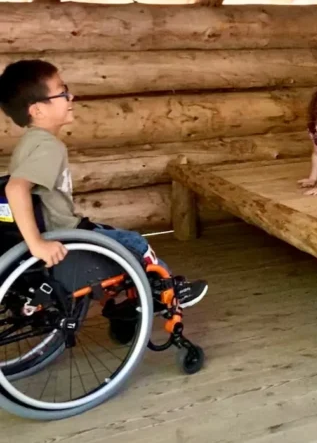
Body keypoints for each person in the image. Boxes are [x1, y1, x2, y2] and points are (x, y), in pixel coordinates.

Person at [0, 59, 207, 307]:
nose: (71, 96)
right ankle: (169, 294)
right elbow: (15, 188)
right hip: (66, 233)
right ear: (38, 110)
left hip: (62, 229)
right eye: (62, 92)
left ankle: (132, 306)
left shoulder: (29, 143)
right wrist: (37, 245)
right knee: (135, 243)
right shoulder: (47, 146)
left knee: (112, 235)